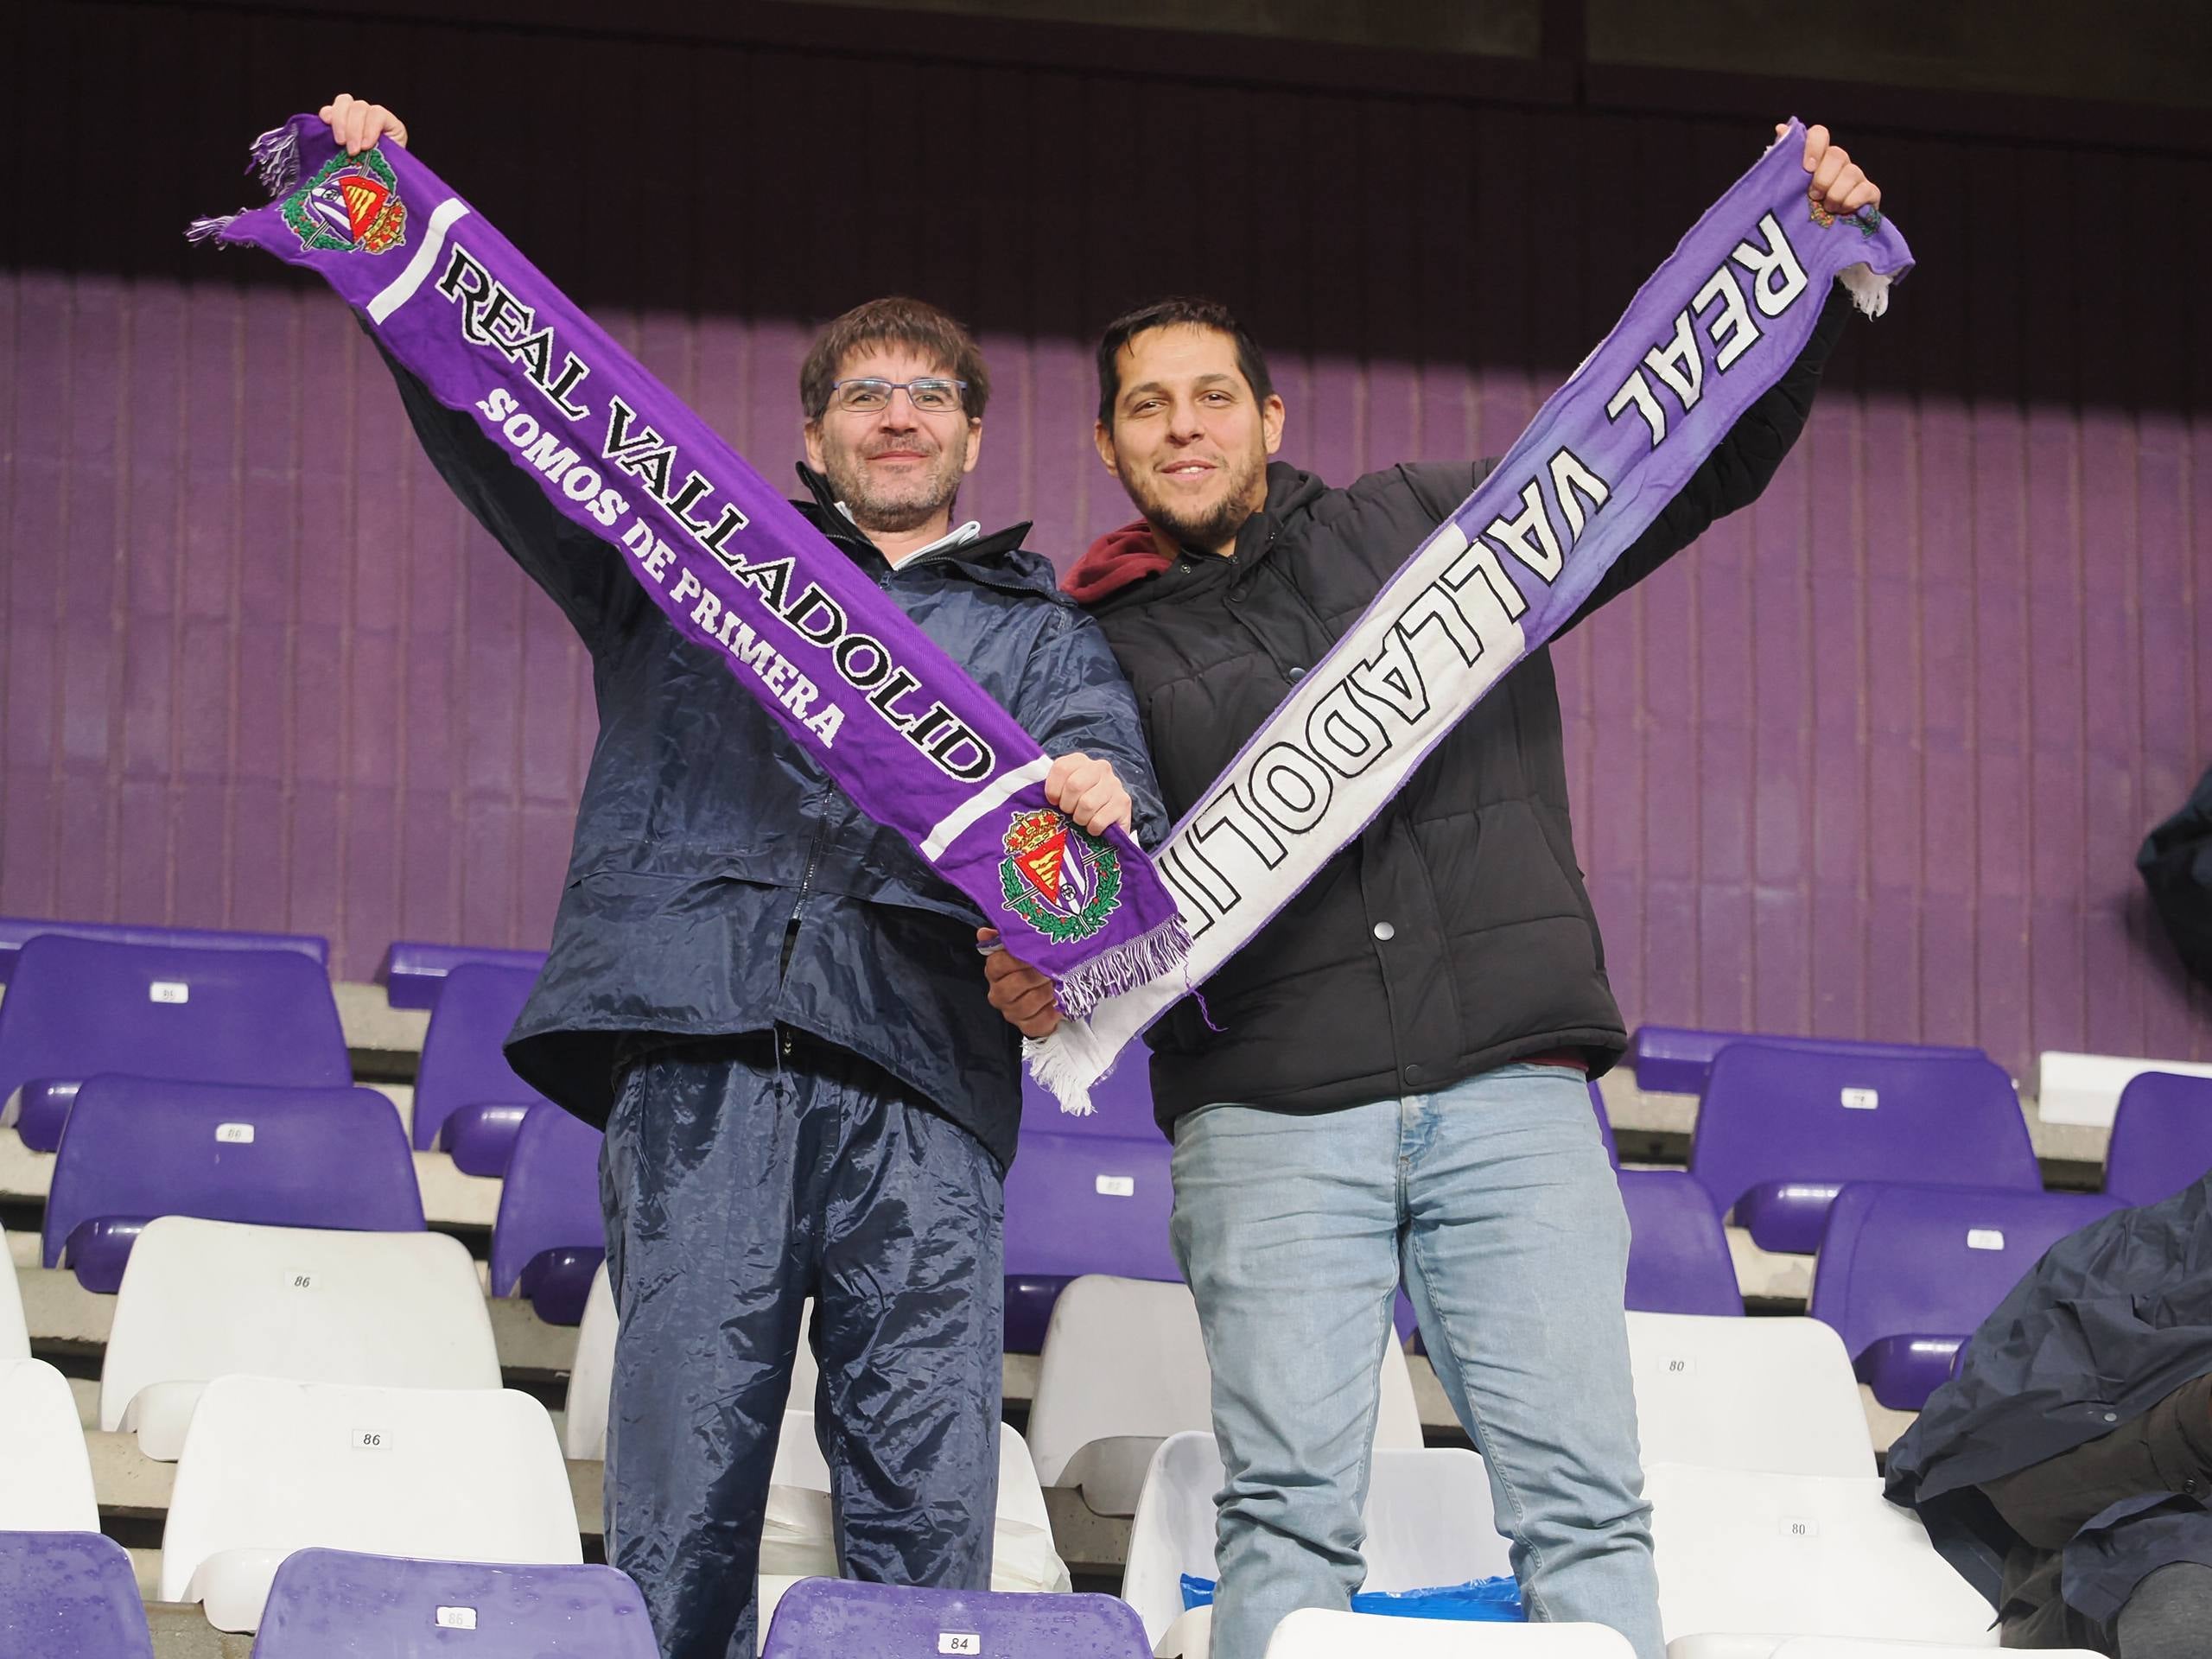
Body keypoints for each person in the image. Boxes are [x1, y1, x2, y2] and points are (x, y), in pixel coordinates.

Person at [984, 124, 1883, 1659]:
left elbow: (1691, 463)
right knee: (1283, 1514)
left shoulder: (1427, 530)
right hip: (1268, 1119)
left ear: (1270, 417)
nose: (1183, 428)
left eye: (1213, 398)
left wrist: (1802, 258)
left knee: (1584, 1504)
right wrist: (1041, 948)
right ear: (1109, 448)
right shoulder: (1083, 647)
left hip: (1509, 1097)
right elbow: (1069, 861)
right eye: (1148, 409)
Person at [316, 92, 1166, 1659]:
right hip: (698, 1060)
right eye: (862, 392)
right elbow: (506, 420)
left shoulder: (1051, 637)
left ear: (976, 436)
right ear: (810, 434)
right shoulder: (692, 561)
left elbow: (1118, 829)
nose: (896, 413)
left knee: (925, 1511)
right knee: (680, 1492)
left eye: (929, 393)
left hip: (919, 1078)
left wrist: (1108, 799)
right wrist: (384, 221)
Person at [1886, 1172, 2212, 1656]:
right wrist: (2194, 1421)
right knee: (2184, 1603)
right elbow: (2006, 1485)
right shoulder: (2128, 1258)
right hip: (2133, 1563)